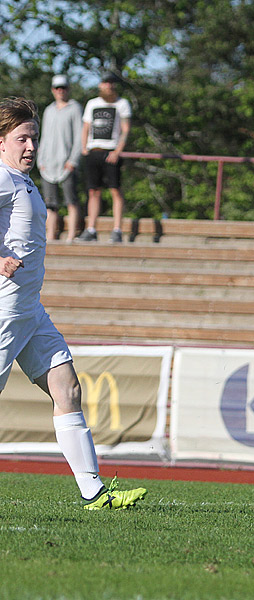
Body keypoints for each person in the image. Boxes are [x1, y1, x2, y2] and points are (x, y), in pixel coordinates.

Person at [0, 96, 146, 509]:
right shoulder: (3, 178)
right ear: (1, 142)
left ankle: (94, 491)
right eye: (23, 138)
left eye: (34, 138)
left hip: (30, 309)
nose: (31, 146)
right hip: (5, 308)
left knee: (68, 387)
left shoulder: (22, 181)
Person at [77, 72, 131, 243]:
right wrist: (84, 148)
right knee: (93, 191)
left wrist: (118, 151)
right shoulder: (92, 104)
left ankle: (117, 230)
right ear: (100, 85)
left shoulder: (122, 104)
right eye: (105, 82)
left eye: (111, 83)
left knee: (115, 190)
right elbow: (86, 127)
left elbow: (125, 129)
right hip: (94, 150)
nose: (108, 86)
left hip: (112, 151)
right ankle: (91, 228)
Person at [37, 74, 82, 243]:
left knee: (71, 200)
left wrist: (73, 160)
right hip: (48, 164)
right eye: (57, 88)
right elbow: (44, 137)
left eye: (63, 87)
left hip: (67, 163)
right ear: (52, 90)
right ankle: (51, 236)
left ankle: (71, 236)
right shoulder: (49, 110)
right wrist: (40, 160)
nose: (60, 91)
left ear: (68, 89)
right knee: (50, 203)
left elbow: (79, 137)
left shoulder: (75, 108)